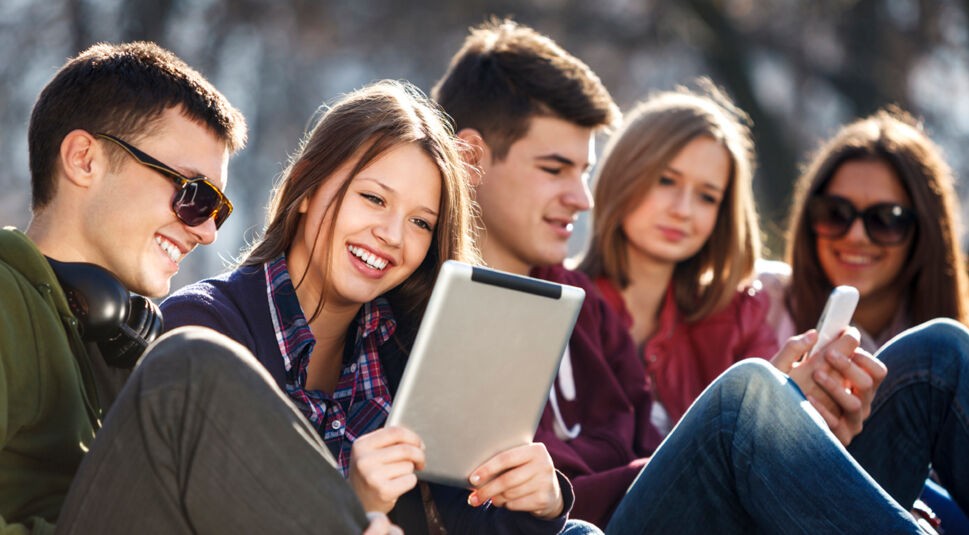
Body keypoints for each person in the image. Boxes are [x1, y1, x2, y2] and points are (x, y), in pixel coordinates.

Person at [432, 17, 945, 533]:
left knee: (936, 354)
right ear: (471, 159)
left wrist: (788, 425)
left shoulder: (585, 306)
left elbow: (657, 451)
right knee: (745, 397)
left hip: (682, 508)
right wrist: (748, 431)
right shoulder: (442, 311)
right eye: (554, 169)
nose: (582, 198)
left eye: (584, 173)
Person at [2, 41, 398, 535]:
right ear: (84, 159)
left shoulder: (113, 339)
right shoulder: (7, 299)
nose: (207, 231)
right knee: (190, 365)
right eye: (193, 194)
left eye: (216, 210)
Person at [159, 80, 581, 534]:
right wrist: (354, 506)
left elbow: (465, 521)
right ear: (305, 186)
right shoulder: (204, 331)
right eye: (374, 199)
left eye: (421, 222)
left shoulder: (410, 345)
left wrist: (541, 502)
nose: (393, 236)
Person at [758, 107, 969, 530]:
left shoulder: (942, 354)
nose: (855, 235)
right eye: (835, 213)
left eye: (885, 221)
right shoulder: (760, 300)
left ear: (923, 231)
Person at [576, 81, 778, 434]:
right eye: (667, 181)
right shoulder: (562, 304)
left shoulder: (741, 317)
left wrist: (791, 405)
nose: (683, 210)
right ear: (625, 174)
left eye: (707, 197)